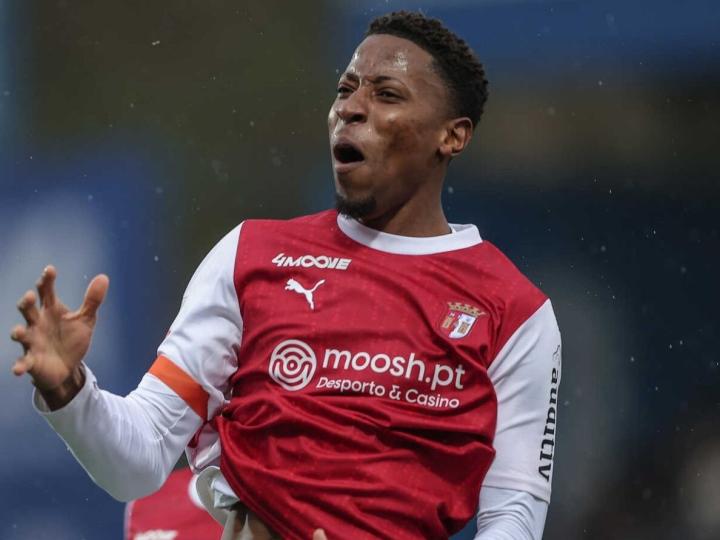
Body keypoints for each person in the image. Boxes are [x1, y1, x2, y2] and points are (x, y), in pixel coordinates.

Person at [10, 11, 561, 540]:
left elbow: (514, 516)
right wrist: (68, 389)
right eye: (345, 90)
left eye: (387, 95)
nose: (351, 109)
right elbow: (141, 458)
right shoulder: (251, 255)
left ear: (452, 136)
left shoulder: (514, 311)